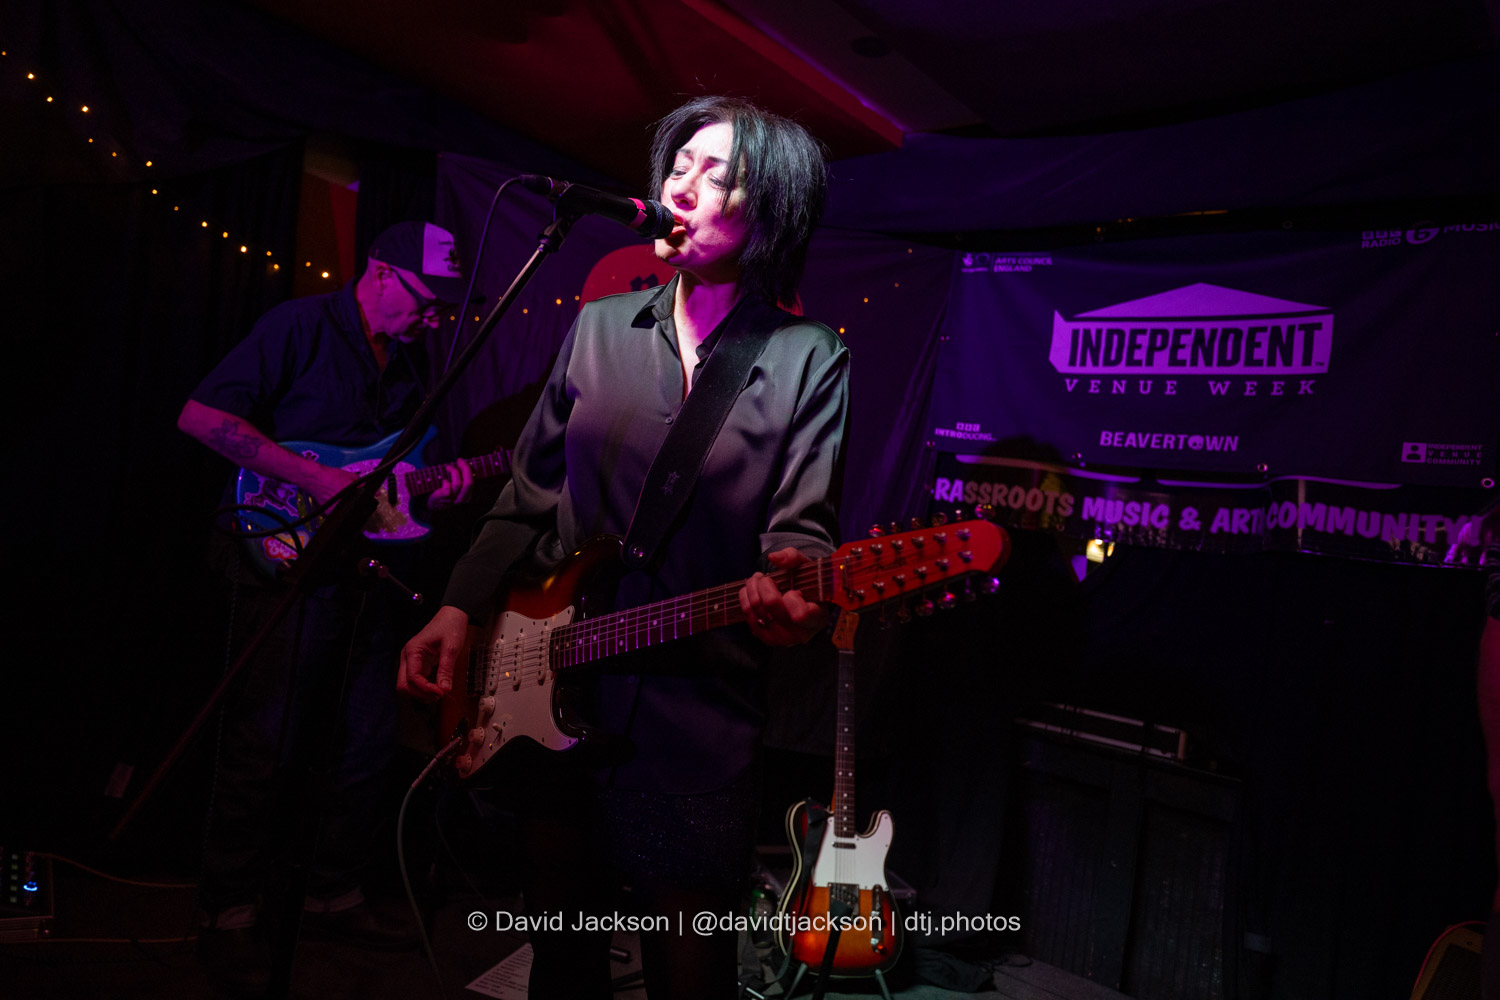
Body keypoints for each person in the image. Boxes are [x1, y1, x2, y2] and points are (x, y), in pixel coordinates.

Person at [399, 96, 847, 998]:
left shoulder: (806, 357)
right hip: (553, 694)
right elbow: (528, 493)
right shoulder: (600, 331)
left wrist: (792, 598)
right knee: (562, 964)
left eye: (714, 173)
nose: (681, 186)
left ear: (773, 209)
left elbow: (800, 531)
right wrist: (456, 604)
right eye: (676, 166)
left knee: (692, 975)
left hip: (696, 718)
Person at [178, 221, 474, 996]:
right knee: (263, 740)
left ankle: (332, 893)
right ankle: (230, 912)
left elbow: (394, 479)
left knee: (367, 740)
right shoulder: (299, 325)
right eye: (424, 299)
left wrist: (434, 489)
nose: (433, 318)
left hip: (365, 569)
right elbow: (203, 418)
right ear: (379, 273)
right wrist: (316, 481)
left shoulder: (414, 362)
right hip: (279, 557)